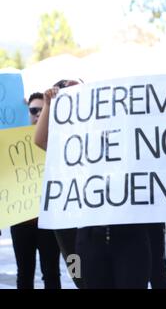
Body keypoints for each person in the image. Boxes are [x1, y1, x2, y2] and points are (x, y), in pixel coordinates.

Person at [36, 80, 152, 289]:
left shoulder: (129, 142)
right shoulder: (74, 150)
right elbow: (40, 140)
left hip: (129, 236)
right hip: (90, 238)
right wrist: (48, 105)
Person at [35, 80, 84, 289]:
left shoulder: (95, 134)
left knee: (98, 275)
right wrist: (48, 103)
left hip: (91, 224)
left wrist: (85, 88)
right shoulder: (61, 145)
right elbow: (39, 140)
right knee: (79, 275)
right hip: (65, 224)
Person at [10, 92, 61, 289]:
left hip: (48, 220)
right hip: (21, 219)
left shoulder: (57, 139)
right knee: (24, 273)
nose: (38, 114)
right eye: (33, 110)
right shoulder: (9, 142)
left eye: (42, 109)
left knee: (51, 273)